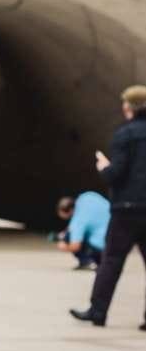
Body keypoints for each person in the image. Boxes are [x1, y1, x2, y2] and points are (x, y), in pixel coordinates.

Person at [70, 86, 146, 331]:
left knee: (112, 260)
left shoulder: (125, 134)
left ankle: (98, 311)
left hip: (126, 209)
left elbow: (116, 174)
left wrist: (104, 166)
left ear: (128, 107)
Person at [57, 193, 109, 270]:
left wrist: (64, 246)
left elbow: (75, 246)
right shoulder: (87, 196)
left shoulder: (78, 221)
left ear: (71, 211)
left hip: (100, 249)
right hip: (115, 237)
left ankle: (87, 262)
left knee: (68, 237)